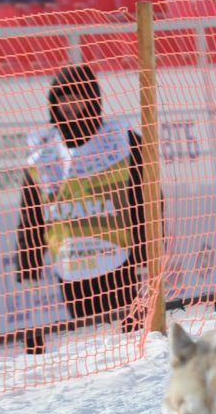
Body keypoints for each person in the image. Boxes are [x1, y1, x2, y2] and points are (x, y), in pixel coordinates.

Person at [14, 64, 148, 354]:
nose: (70, 105)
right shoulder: (43, 154)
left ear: (92, 98)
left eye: (77, 96)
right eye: (63, 97)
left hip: (120, 262)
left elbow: (146, 197)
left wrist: (146, 254)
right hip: (73, 268)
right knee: (97, 349)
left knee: (133, 344)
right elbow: (31, 217)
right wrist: (28, 270)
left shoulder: (123, 141)